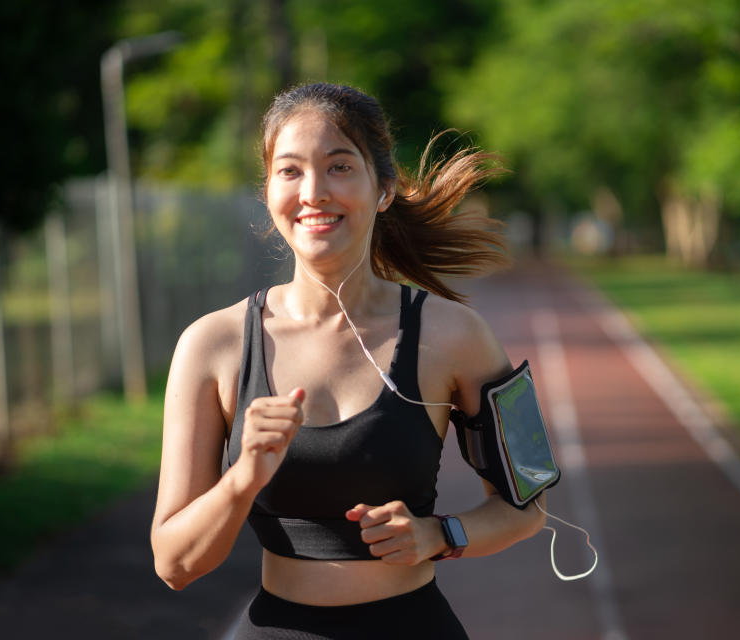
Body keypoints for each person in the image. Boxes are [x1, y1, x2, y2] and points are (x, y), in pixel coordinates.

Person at [151, 83, 546, 639]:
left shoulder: (458, 335)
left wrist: (441, 534)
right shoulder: (211, 345)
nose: (313, 192)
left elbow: (528, 504)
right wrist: (242, 478)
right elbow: (174, 564)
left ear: (383, 188)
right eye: (290, 171)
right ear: (267, 192)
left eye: (339, 167)